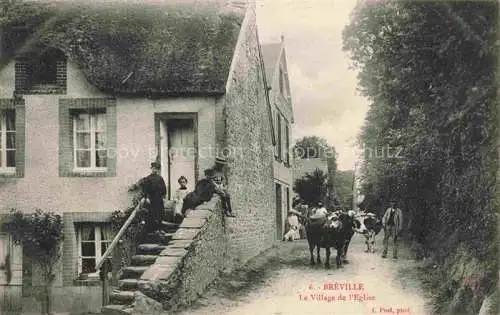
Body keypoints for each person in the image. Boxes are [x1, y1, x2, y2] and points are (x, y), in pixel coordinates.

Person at [133, 162, 167, 233]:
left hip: (159, 198)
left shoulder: (160, 178)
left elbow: (164, 188)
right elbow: (145, 189)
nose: (155, 170)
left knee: (160, 213)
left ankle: (159, 228)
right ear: (151, 169)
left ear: (158, 170)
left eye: (156, 169)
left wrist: (163, 197)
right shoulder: (148, 178)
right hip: (151, 198)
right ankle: (153, 229)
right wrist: (146, 197)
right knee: (152, 214)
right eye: (153, 168)